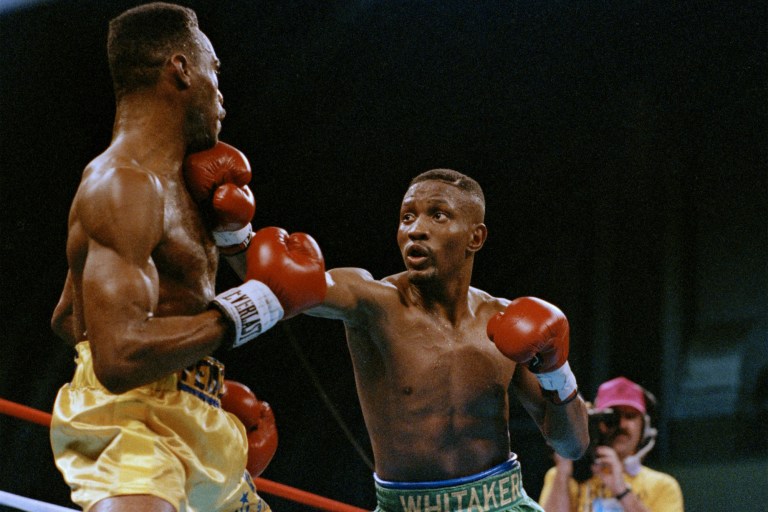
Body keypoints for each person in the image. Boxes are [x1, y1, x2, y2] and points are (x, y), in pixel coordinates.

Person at [48, 3, 326, 511]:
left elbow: (70, 319)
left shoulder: (180, 186)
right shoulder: (124, 184)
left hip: (191, 414)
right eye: (214, 71)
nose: (221, 94)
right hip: (131, 430)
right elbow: (116, 357)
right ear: (180, 69)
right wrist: (252, 306)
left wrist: (188, 374)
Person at [305, 168, 589, 512]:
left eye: (438, 215)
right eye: (407, 217)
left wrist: (555, 369)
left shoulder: (502, 320)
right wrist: (236, 235)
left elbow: (572, 445)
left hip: (501, 502)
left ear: (476, 238)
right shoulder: (372, 302)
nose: (415, 229)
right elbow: (289, 284)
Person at [538, 376, 684, 511]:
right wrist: (563, 471)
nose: (622, 425)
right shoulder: (563, 476)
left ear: (644, 427)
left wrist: (621, 490)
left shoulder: (663, 486)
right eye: (612, 417)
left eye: (630, 416)